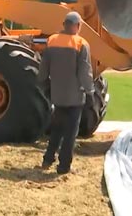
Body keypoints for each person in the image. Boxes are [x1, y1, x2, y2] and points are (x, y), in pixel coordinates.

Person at [37, 11, 95, 175]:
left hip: (57, 95)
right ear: (78, 26)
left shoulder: (52, 41)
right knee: (70, 133)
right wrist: (90, 91)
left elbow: (43, 70)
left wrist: (44, 86)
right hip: (75, 97)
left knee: (57, 128)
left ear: (64, 25)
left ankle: (48, 159)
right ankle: (63, 167)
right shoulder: (81, 43)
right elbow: (85, 72)